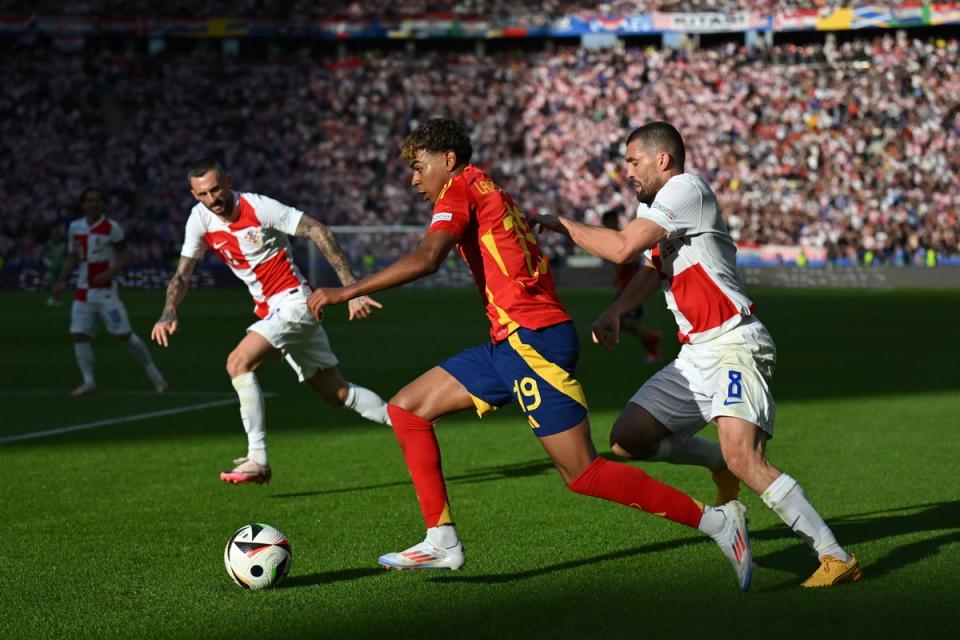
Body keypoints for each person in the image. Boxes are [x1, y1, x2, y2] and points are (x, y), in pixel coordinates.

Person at [306, 118, 755, 590]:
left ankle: (717, 523)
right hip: (511, 342)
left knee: (583, 473)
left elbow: (427, 258)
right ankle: (441, 539)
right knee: (407, 409)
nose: (415, 180)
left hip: (532, 342)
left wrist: (346, 291)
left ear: (448, 161)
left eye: (420, 168)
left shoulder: (459, 190)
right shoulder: (490, 188)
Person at [533, 121, 861, 588]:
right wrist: (616, 310)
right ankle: (718, 461)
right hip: (695, 354)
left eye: (632, 161)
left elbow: (623, 247)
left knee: (746, 456)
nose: (626, 172)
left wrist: (562, 223)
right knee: (629, 439)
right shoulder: (659, 206)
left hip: (733, 343)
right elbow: (651, 269)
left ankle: (833, 556)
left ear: (662, 159)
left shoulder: (686, 188)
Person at [150, 159, 390, 485]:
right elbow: (183, 273)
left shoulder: (259, 207)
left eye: (216, 189)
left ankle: (257, 459)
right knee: (336, 393)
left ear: (229, 181)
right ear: (195, 195)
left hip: (293, 302)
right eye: (203, 193)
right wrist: (169, 311)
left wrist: (351, 289)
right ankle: (406, 420)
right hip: (272, 311)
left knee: (238, 362)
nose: (212, 198)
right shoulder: (200, 219)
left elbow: (319, 231)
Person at [51, 187, 169, 396]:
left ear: (102, 204)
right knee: (78, 335)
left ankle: (154, 373)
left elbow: (126, 255)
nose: (93, 204)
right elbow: (72, 256)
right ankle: (89, 382)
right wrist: (60, 282)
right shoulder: (75, 228)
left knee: (125, 335)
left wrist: (110, 273)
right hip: (82, 291)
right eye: (90, 201)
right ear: (83, 204)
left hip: (106, 292)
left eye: (97, 201)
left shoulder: (111, 228)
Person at [600, 208, 661, 363]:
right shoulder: (611, 238)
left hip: (631, 288)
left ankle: (652, 345)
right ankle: (651, 342)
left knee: (624, 322)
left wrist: (623, 263)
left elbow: (633, 258)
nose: (607, 225)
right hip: (623, 287)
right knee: (622, 322)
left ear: (613, 221)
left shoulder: (622, 237)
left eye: (609, 222)